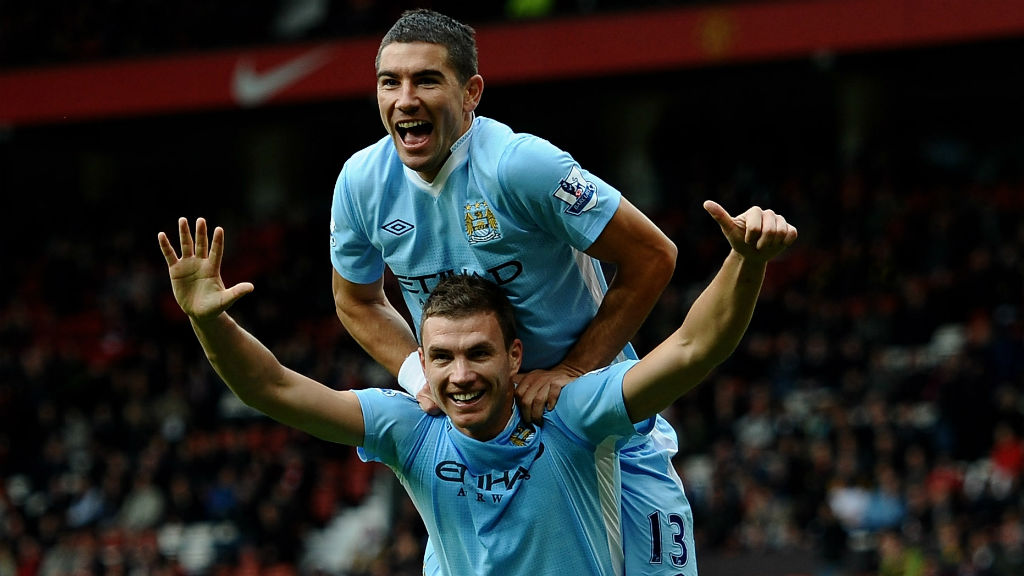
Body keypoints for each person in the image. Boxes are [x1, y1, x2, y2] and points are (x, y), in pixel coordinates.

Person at [158, 200, 796, 575]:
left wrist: (745, 263)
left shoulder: (571, 416)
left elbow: (692, 348)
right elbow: (271, 388)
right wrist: (210, 321)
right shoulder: (410, 429)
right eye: (443, 358)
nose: (460, 375)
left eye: (478, 354)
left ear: (515, 356)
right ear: (424, 365)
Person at [328, 9, 684, 572]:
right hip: (479, 442)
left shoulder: (522, 167)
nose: (405, 99)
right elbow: (356, 299)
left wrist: (571, 372)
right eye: (389, 82)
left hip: (593, 431)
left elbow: (653, 256)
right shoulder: (361, 184)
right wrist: (420, 373)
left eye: (426, 80)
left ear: (471, 93)